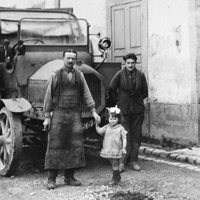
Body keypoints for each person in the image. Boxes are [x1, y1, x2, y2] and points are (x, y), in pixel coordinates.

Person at [43, 49, 101, 190]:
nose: (70, 61)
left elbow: (86, 94)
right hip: (58, 115)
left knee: (74, 146)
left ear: (75, 60)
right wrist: (47, 117)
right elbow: (48, 96)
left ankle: (69, 177)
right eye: (68, 58)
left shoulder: (79, 76)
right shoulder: (55, 75)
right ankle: (51, 179)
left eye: (73, 59)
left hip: (75, 115)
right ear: (63, 59)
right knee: (55, 146)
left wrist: (94, 112)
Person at [108, 53, 148, 172]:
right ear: (125, 63)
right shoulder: (119, 75)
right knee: (124, 135)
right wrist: (119, 101)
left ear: (135, 63)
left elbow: (145, 92)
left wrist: (137, 100)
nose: (130, 65)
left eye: (132, 63)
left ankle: (134, 161)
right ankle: (122, 162)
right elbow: (111, 89)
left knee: (136, 136)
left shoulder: (140, 75)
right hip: (123, 110)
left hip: (137, 110)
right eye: (128, 63)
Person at [95, 105, 127, 186]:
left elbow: (124, 138)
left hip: (116, 149)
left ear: (118, 119)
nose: (112, 121)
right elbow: (99, 131)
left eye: (115, 119)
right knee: (112, 162)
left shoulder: (120, 128)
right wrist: (96, 125)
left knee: (114, 164)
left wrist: (124, 148)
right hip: (108, 149)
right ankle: (118, 176)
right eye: (111, 119)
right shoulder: (106, 127)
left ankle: (114, 179)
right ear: (108, 119)